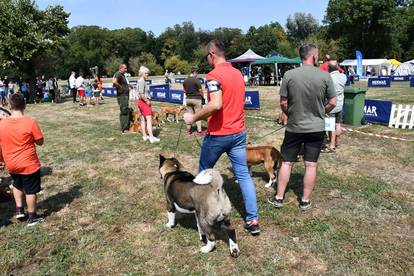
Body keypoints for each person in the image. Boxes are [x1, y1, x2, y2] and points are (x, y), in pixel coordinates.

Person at [183, 40, 260, 235]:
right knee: (243, 175)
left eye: (206, 57)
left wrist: (192, 117)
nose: (207, 61)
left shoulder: (214, 75)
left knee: (202, 175)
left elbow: (216, 104)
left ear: (212, 54)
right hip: (239, 133)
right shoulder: (237, 73)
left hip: (219, 134)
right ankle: (253, 220)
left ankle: (204, 217)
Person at [268, 44, 337, 211]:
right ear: (313, 57)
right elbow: (333, 102)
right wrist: (322, 111)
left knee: (287, 163)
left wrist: (290, 114)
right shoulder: (325, 75)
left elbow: (283, 103)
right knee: (311, 164)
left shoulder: (289, 75)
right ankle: (305, 200)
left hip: (294, 127)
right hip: (316, 128)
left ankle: (278, 197)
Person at [0, 93, 44, 226]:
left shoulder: (2, 124)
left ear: (9, 106)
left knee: (17, 184)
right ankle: (32, 217)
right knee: (31, 190)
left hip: (11, 163)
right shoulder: (30, 122)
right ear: (24, 106)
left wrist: (1, 159)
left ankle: (19, 209)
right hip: (28, 163)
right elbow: (40, 141)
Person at [322, 63, 347, 152]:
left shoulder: (328, 77)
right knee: (338, 124)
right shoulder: (343, 76)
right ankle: (337, 141)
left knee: (330, 127)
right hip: (340, 104)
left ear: (328, 68)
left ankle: (332, 145)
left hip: (331, 105)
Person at [137, 66, 159, 143]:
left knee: (143, 119)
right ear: (142, 73)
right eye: (146, 73)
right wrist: (147, 101)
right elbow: (141, 93)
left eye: (148, 73)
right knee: (149, 120)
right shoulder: (142, 81)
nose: (147, 74)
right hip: (144, 102)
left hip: (141, 102)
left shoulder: (140, 80)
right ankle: (151, 137)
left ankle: (144, 136)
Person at [183, 68, 205, 136]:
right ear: (194, 72)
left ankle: (189, 131)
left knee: (189, 115)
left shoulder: (185, 80)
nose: (197, 74)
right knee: (198, 116)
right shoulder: (196, 80)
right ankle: (199, 132)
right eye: (197, 73)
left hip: (188, 99)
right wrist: (203, 97)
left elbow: (184, 90)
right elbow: (200, 90)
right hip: (196, 99)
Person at [112, 64, 131, 134]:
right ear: (121, 68)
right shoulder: (118, 74)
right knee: (124, 111)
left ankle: (127, 126)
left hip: (124, 95)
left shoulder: (122, 75)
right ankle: (124, 129)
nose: (126, 70)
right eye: (125, 68)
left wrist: (129, 86)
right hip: (122, 96)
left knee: (125, 110)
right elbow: (114, 82)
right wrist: (120, 87)